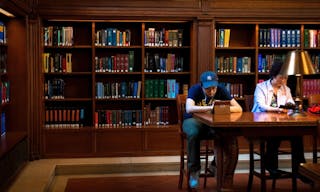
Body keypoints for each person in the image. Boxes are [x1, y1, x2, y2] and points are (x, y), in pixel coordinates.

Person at [183, 71, 242, 189]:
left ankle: (215, 165)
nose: (212, 92)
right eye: (208, 89)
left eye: (214, 88)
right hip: (193, 120)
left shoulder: (221, 89)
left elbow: (238, 108)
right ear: (202, 85)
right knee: (193, 133)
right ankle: (194, 171)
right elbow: (189, 108)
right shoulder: (195, 89)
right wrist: (211, 107)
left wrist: (220, 108)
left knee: (225, 134)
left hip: (213, 123)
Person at [251, 59, 306, 179]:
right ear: (273, 76)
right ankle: (272, 167)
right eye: (281, 78)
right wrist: (278, 110)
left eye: (285, 78)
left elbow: (290, 101)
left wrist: (292, 106)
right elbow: (261, 105)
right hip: (261, 124)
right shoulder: (260, 87)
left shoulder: (286, 89)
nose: (283, 81)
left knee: (297, 136)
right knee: (273, 134)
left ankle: (300, 170)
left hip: (279, 123)